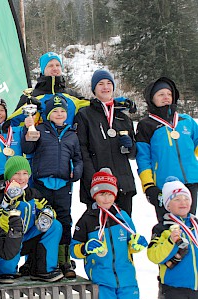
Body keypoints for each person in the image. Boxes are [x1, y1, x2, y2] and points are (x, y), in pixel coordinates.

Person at [21, 94, 83, 278]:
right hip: (42, 184)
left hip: (63, 185)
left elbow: (78, 158)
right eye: (55, 111)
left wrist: (77, 171)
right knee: (40, 220)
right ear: (48, 114)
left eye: (62, 111)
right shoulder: (39, 129)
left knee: (63, 220)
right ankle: (34, 261)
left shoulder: (72, 135)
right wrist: (28, 132)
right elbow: (27, 149)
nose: (59, 114)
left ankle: (63, 261)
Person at [71, 168, 147, 299]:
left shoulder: (123, 216)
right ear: (94, 195)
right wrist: (85, 248)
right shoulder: (87, 219)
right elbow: (73, 250)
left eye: (110, 194)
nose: (107, 199)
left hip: (127, 279)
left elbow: (131, 242)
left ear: (116, 194)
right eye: (102, 194)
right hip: (102, 281)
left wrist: (136, 245)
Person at [74, 69, 137, 215]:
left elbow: (134, 154)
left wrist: (130, 146)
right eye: (100, 84)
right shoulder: (84, 115)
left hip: (123, 183)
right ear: (94, 89)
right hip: (97, 184)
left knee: (124, 230)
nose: (105, 87)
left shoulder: (123, 117)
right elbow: (82, 150)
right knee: (98, 229)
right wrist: (93, 179)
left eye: (109, 83)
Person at [136, 77, 198, 222]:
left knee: (190, 225)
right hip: (165, 185)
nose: (166, 97)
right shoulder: (146, 125)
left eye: (169, 94)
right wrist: (148, 185)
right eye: (161, 94)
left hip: (191, 181)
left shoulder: (186, 121)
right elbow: (143, 158)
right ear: (152, 99)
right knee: (168, 229)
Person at [0, 156, 64, 283]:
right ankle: (5, 271)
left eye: (25, 173)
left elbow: (47, 207)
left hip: (29, 238)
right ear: (9, 176)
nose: (21, 178)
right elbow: (0, 223)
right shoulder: (1, 196)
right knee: (11, 232)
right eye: (16, 173)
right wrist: (8, 203)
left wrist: (47, 214)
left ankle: (43, 269)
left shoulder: (34, 194)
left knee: (55, 226)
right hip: (11, 240)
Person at [147, 176, 198, 299]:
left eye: (186, 198)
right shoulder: (162, 228)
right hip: (175, 289)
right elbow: (154, 256)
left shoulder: (196, 225)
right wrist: (170, 242)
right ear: (167, 204)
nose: (183, 202)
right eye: (177, 199)